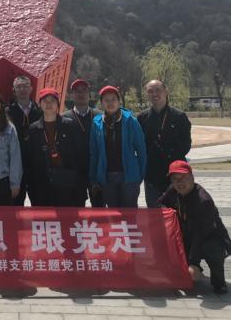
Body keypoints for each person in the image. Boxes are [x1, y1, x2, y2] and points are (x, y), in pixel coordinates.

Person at [159, 160, 231, 294]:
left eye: (183, 178)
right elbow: (160, 204)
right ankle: (191, 271)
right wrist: (168, 213)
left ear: (192, 177)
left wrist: (194, 263)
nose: (180, 182)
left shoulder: (203, 201)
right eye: (175, 179)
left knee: (212, 249)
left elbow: (201, 234)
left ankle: (218, 281)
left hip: (211, 237)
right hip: (187, 236)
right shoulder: (173, 190)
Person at [28, 88, 87, 207]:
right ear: (40, 104)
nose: (49, 104)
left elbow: (81, 155)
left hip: (67, 182)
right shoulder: (34, 129)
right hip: (42, 183)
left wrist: (80, 185)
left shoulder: (70, 125)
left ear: (58, 104)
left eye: (52, 101)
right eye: (45, 101)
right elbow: (30, 160)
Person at [89, 85, 147, 208]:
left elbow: (141, 150)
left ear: (119, 101)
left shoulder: (131, 121)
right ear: (101, 102)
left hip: (129, 177)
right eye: (106, 100)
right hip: (107, 177)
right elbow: (94, 153)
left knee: (130, 213)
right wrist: (93, 177)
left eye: (113, 99)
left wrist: (140, 175)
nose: (110, 103)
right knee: (113, 214)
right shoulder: (96, 123)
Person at [138, 80, 192, 208]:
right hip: (151, 175)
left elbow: (186, 145)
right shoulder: (141, 118)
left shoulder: (179, 116)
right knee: (154, 213)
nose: (154, 94)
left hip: (176, 175)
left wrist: (168, 153)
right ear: (146, 94)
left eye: (158, 90)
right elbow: (138, 146)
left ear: (166, 92)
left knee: (177, 212)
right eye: (150, 91)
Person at [63, 79, 103, 206]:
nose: (81, 94)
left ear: (89, 94)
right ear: (72, 95)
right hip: (75, 172)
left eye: (84, 91)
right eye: (77, 91)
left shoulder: (100, 116)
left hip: (96, 170)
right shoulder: (64, 118)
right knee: (76, 209)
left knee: (99, 208)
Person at [7, 75, 42, 206]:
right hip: (15, 165)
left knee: (40, 205)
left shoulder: (40, 110)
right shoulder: (7, 112)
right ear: (14, 90)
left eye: (25, 86)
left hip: (36, 164)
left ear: (31, 88)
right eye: (19, 87)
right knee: (14, 205)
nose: (22, 89)